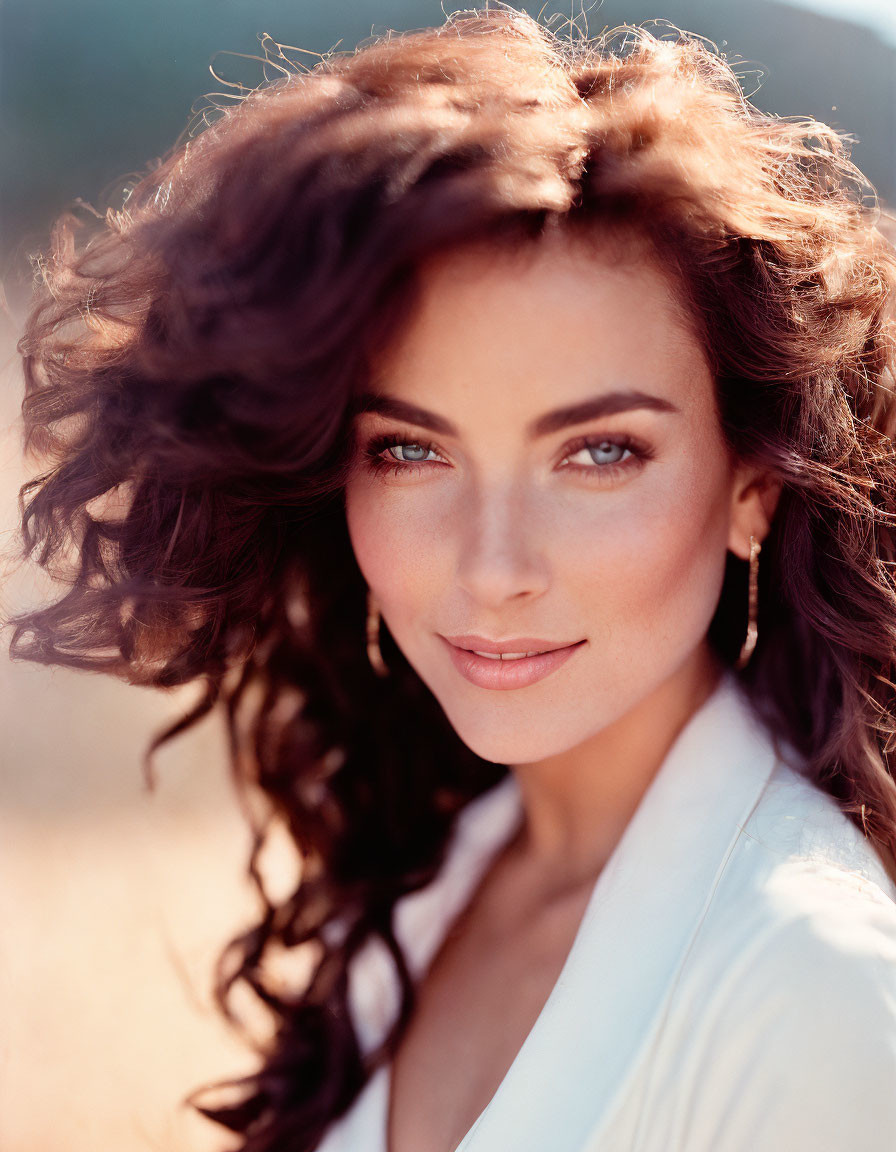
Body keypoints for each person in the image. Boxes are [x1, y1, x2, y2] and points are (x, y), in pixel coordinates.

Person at [8, 5, 896, 1150]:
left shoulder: (809, 990)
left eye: (597, 453)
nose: (490, 569)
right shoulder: (440, 877)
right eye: (410, 451)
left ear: (749, 489)